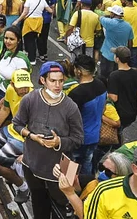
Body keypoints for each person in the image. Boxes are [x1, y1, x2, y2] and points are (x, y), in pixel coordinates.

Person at [12, 61, 84, 219]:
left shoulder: (70, 107)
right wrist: (32, 136)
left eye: (61, 80)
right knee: (39, 204)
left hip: (58, 171)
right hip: (32, 164)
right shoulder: (30, 99)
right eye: (53, 80)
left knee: (61, 206)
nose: (57, 85)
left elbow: (78, 139)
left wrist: (59, 142)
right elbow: (17, 124)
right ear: (43, 81)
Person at [0, 69, 34, 204]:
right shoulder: (10, 90)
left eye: (26, 86)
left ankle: (23, 187)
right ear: (12, 84)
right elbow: (5, 109)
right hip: (12, 130)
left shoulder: (34, 97)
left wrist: (28, 150)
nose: (24, 90)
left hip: (24, 137)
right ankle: (12, 166)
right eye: (21, 88)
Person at [67, 55, 108, 175]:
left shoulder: (77, 93)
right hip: (95, 135)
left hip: (79, 138)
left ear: (79, 71)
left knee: (73, 164)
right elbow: (104, 107)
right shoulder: (101, 84)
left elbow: (70, 119)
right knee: (87, 162)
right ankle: (86, 187)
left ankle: (71, 188)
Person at [107, 46, 137, 130]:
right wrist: (132, 91)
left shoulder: (114, 76)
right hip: (132, 112)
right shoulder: (136, 73)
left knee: (116, 134)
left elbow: (114, 98)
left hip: (119, 113)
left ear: (117, 59)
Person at [98, 5, 134, 81]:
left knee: (103, 76)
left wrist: (107, 15)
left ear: (113, 14)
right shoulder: (128, 26)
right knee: (116, 77)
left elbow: (100, 17)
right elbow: (130, 42)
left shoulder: (109, 22)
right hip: (121, 56)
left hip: (107, 53)